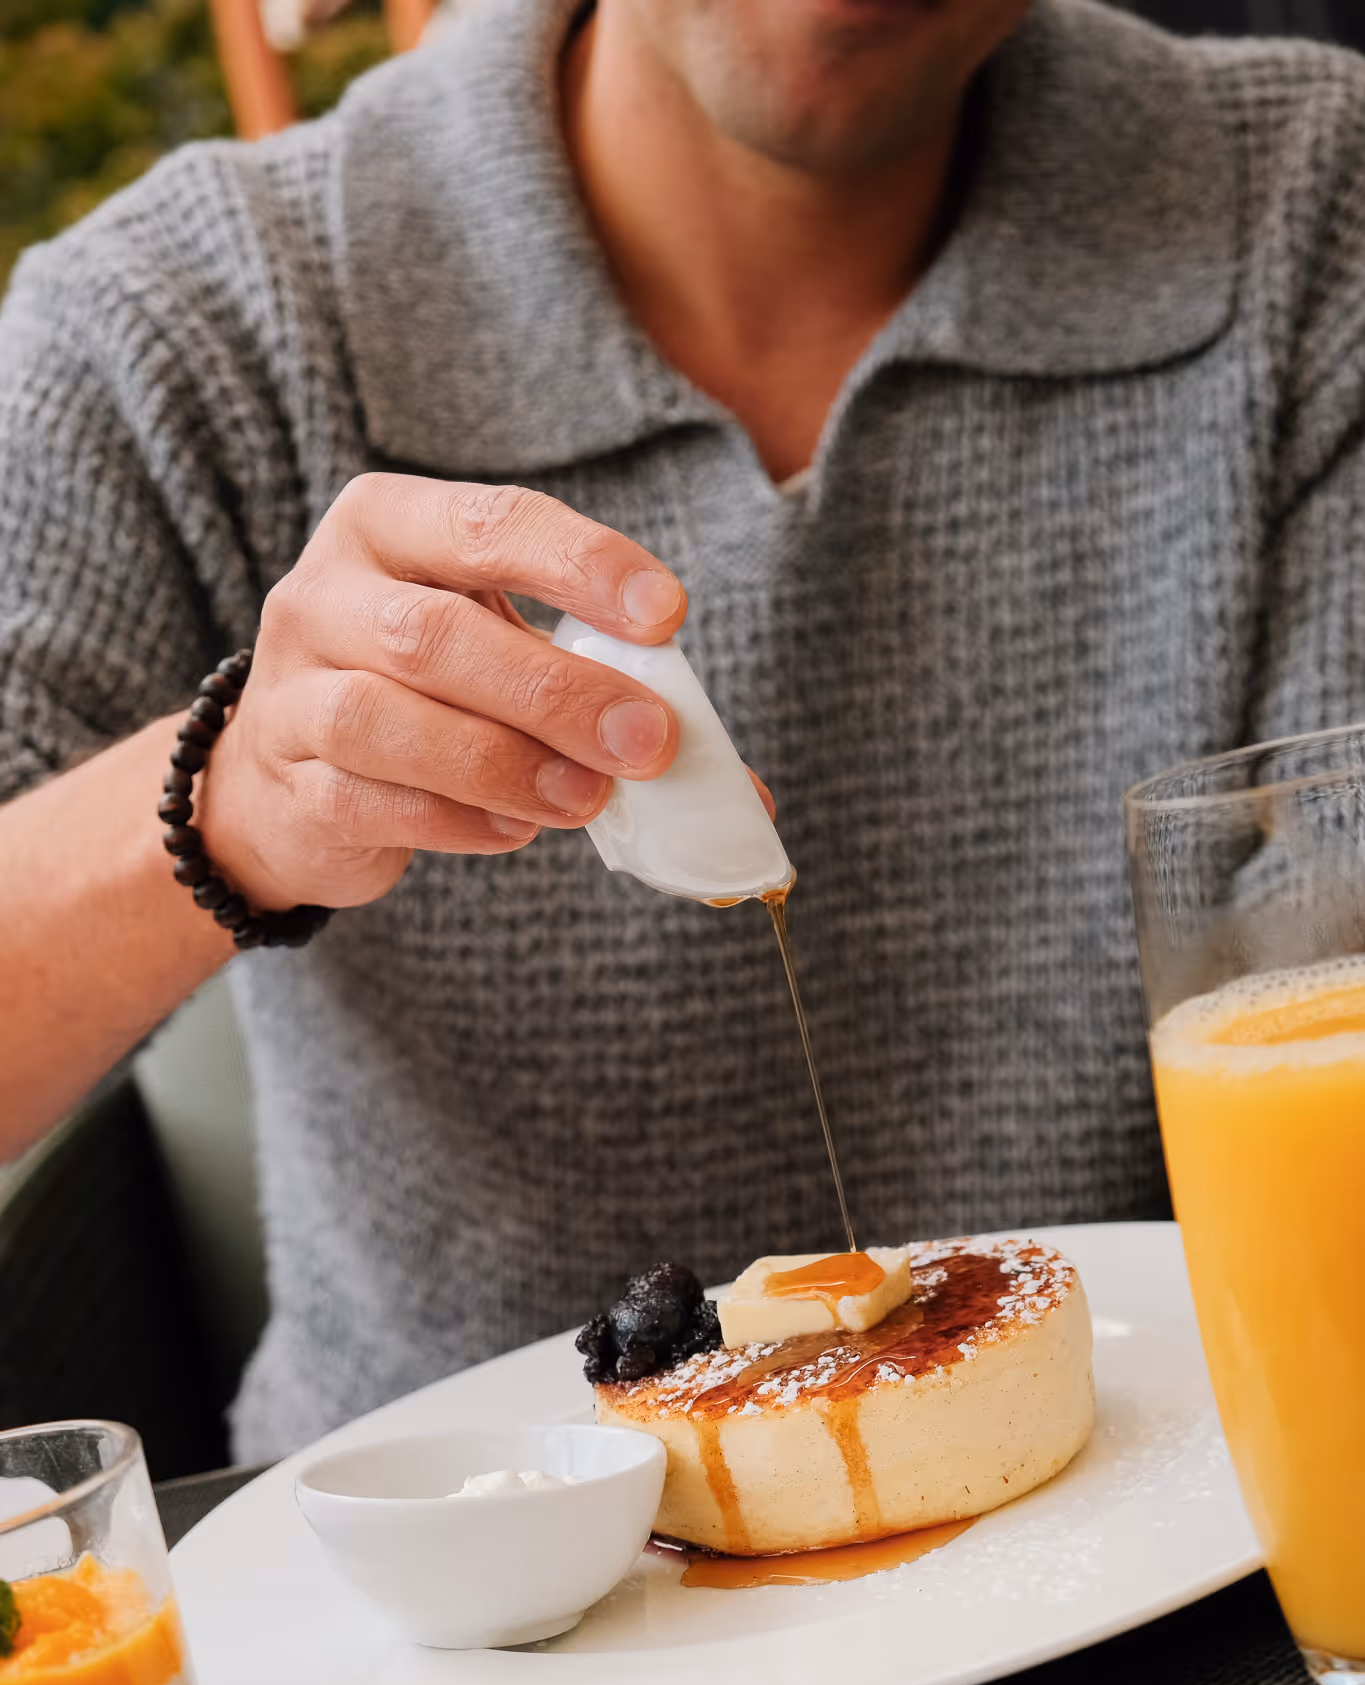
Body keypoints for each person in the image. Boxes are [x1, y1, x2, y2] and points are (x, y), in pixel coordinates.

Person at [2, 0, 1363, 1460]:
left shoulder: (1311, 211)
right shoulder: (194, 322)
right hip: (463, 1615)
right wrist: (232, 806)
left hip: (1173, 1508)